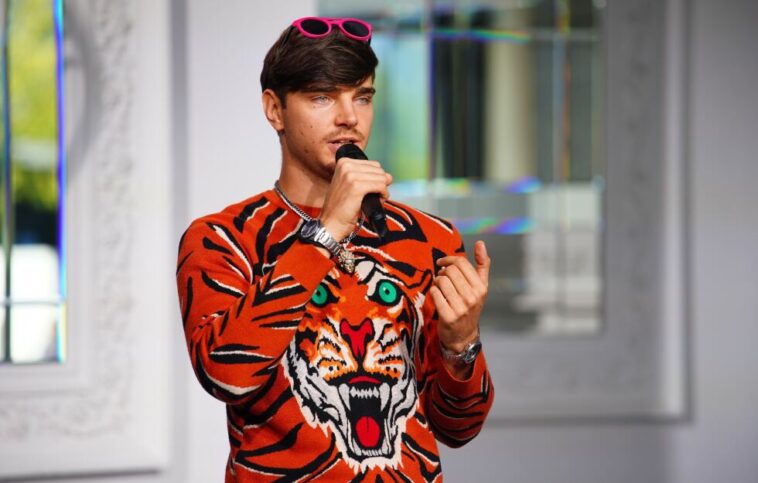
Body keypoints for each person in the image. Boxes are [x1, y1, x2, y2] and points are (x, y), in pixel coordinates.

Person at [176, 16, 494, 482]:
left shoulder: (429, 237)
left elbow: (458, 428)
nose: (349, 117)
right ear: (275, 110)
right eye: (322, 97)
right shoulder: (223, 238)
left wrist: (461, 343)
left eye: (362, 97)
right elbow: (226, 375)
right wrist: (326, 232)